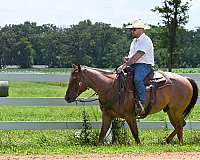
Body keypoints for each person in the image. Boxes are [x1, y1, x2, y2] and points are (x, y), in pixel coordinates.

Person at [117, 19, 154, 116]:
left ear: (141, 29)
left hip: (144, 65)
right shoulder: (134, 41)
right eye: (131, 29)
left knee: (137, 79)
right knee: (118, 76)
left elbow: (138, 55)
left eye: (134, 29)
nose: (132, 31)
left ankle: (142, 102)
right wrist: (127, 59)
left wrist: (124, 65)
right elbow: (132, 56)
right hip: (133, 64)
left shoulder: (146, 40)